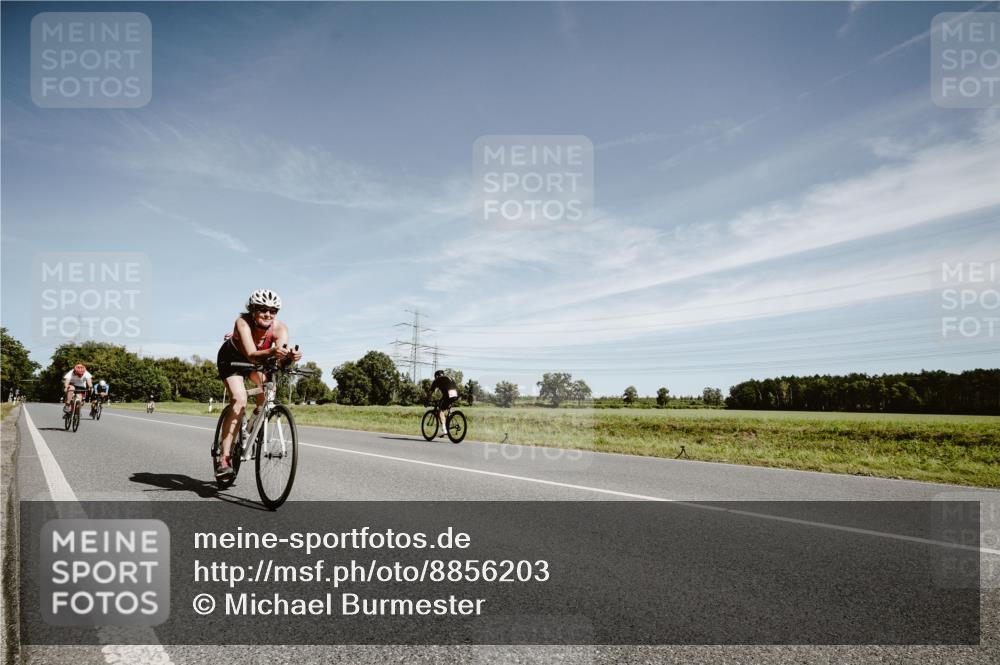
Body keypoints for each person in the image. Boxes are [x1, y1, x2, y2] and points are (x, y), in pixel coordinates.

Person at [215, 289, 302, 479]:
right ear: (252, 310)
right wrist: (273, 351)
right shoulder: (242, 322)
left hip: (258, 362)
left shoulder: (280, 329)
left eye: (273, 310)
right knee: (239, 400)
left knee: (269, 392)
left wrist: (290, 358)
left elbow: (280, 360)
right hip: (232, 360)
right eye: (262, 309)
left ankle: (248, 429)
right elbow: (252, 355)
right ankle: (225, 457)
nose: (267, 314)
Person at [428, 370, 460, 437]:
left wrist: (427, 400)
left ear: (436, 376)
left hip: (448, 394)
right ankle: (450, 418)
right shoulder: (448, 377)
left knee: (440, 411)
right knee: (447, 404)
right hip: (456, 393)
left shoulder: (437, 379)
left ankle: (444, 430)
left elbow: (430, 392)